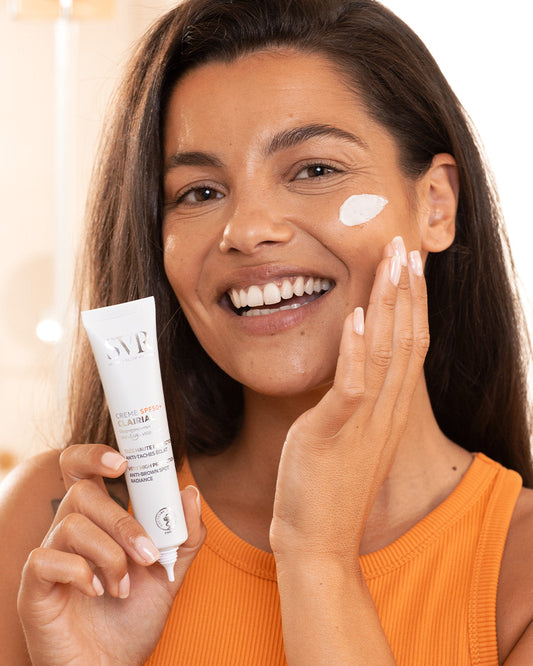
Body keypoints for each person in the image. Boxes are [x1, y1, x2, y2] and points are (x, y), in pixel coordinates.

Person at [1, 0, 532, 663]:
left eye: (314, 170)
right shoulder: (63, 534)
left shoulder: (519, 570)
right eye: (198, 192)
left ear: (435, 205)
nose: (247, 230)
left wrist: (318, 555)